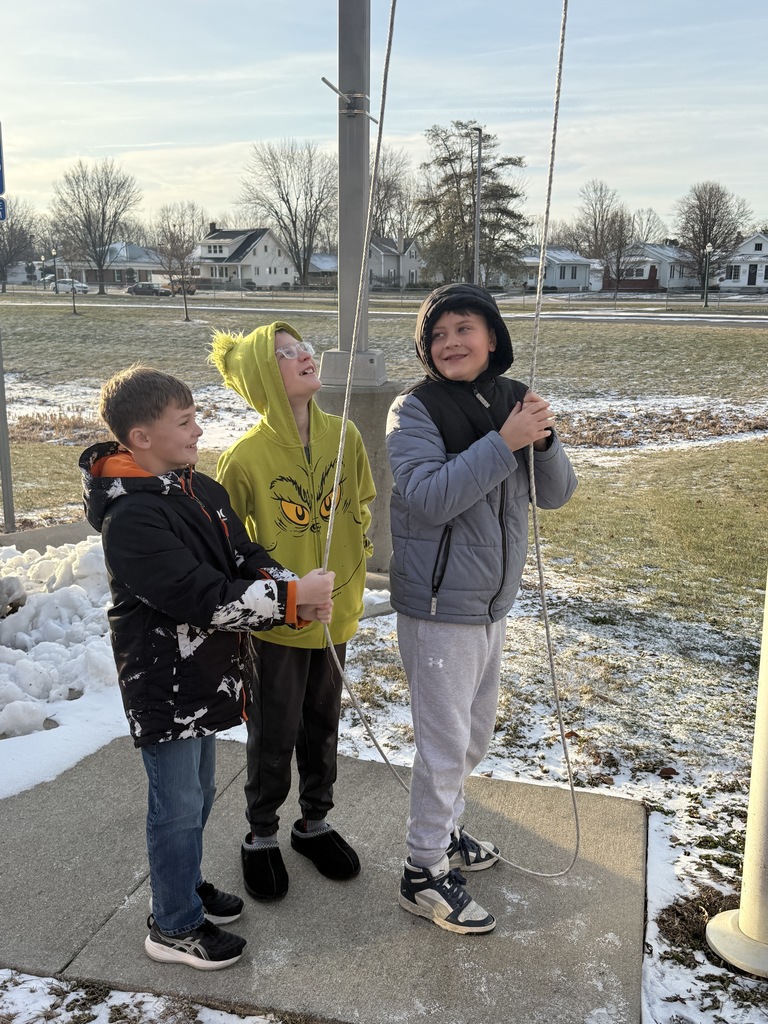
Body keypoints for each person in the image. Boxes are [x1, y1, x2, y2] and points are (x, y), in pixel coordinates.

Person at [79, 365, 335, 970]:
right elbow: (204, 597)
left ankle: (182, 886)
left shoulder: (196, 488)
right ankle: (172, 925)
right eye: (185, 421)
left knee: (194, 797)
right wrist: (290, 602)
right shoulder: (133, 519)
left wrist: (286, 585)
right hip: (164, 684)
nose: (200, 429)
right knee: (174, 806)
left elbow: (242, 554)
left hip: (205, 674)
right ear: (141, 437)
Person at [386, 283, 578, 934]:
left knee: (472, 739)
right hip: (439, 606)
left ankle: (447, 831)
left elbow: (555, 495)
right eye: (437, 335)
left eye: (463, 329)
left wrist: (542, 440)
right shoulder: (414, 410)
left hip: (491, 603)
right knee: (443, 748)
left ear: (492, 337)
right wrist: (503, 441)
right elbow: (428, 497)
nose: (450, 344)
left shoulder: (510, 399)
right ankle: (423, 871)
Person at [209, 322, 375, 901]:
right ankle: (260, 835)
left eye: (302, 346)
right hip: (277, 626)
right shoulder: (244, 457)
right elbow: (227, 545)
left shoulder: (345, 434)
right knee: (273, 732)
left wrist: (353, 567)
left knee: (322, 725)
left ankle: (314, 823)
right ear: (261, 377)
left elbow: (361, 502)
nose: (304, 354)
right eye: (284, 354)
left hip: (337, 615)